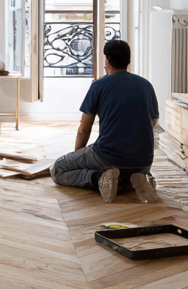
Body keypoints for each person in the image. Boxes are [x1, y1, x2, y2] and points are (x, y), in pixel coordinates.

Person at [51, 38, 159, 203]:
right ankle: (136, 178)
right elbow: (153, 121)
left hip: (108, 156)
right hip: (143, 161)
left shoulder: (99, 86)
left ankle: (99, 179)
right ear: (128, 60)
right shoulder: (146, 85)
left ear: (106, 60)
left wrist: (79, 158)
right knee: (124, 169)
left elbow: (83, 130)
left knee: (58, 169)